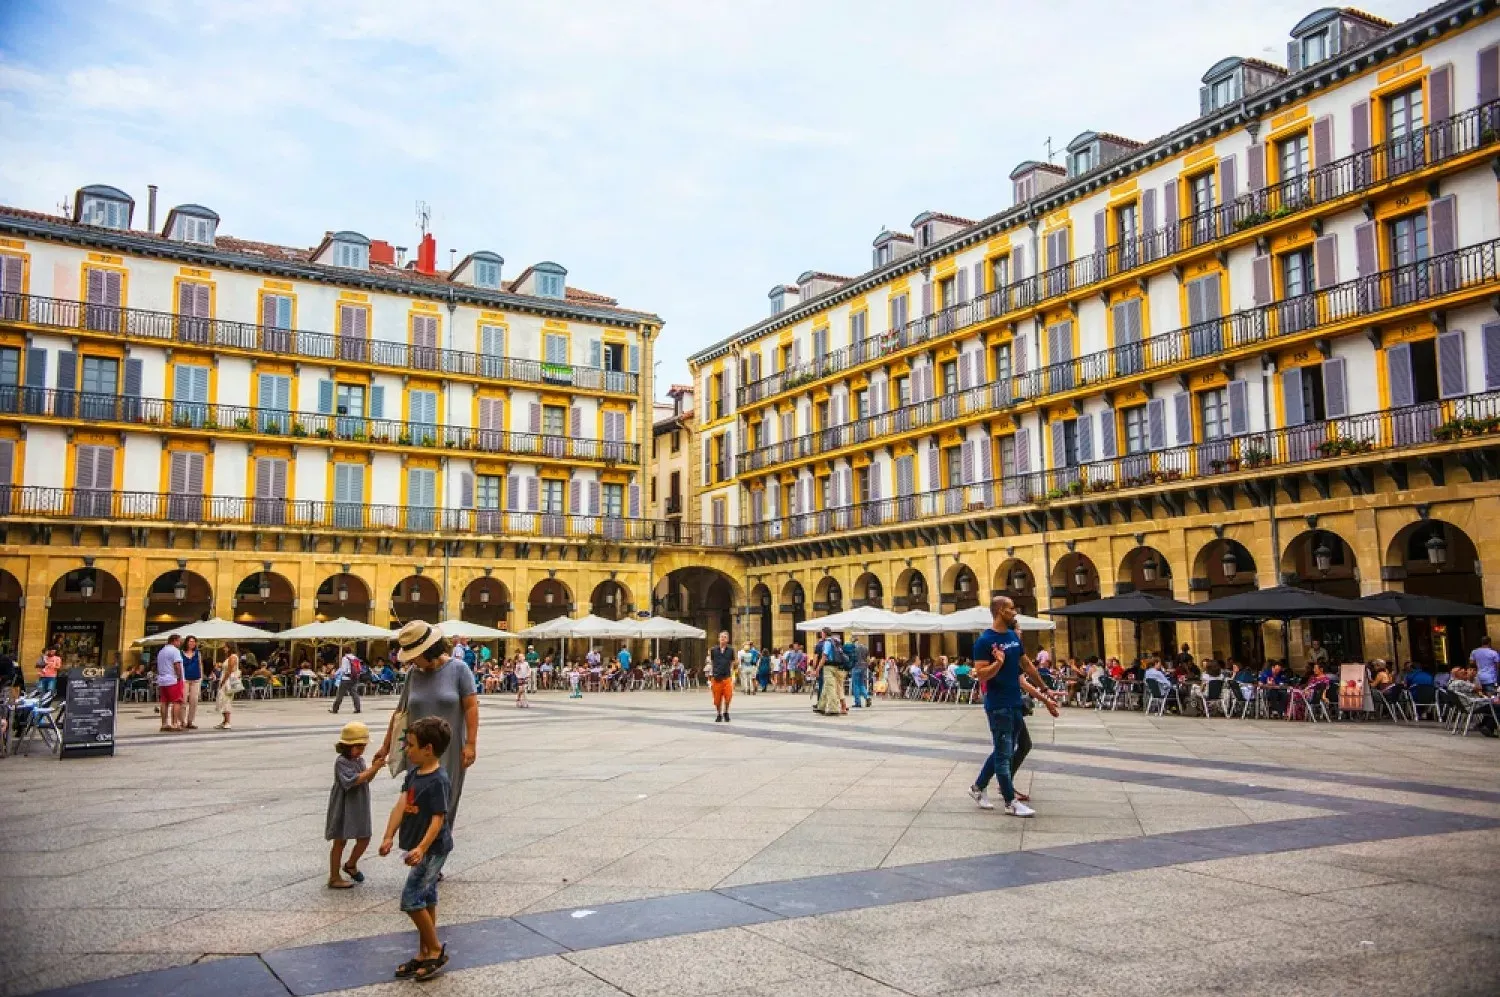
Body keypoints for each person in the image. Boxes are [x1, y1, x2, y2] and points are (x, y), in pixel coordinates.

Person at [373, 622, 479, 832]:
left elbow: (471, 708)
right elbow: (399, 713)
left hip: (449, 751)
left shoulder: (459, 669)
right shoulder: (414, 674)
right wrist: (385, 747)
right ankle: (421, 855)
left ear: (429, 650)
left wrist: (471, 744)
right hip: (417, 752)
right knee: (417, 806)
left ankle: (433, 858)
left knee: (444, 806)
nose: (411, 660)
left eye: (415, 654)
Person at [379, 716, 454, 982]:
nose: (406, 750)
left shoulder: (438, 780)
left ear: (428, 749)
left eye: (410, 745)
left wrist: (422, 848)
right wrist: (388, 835)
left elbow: (438, 819)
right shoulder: (413, 773)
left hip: (433, 850)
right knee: (427, 898)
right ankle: (423, 952)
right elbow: (401, 805)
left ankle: (434, 949)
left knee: (411, 900)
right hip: (421, 848)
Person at [969, 595, 1052, 817]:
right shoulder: (984, 641)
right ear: (999, 611)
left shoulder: (1013, 638)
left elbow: (1026, 664)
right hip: (999, 705)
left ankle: (978, 787)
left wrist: (1045, 689)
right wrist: (998, 662)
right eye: (1011, 609)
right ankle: (1010, 801)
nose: (1015, 612)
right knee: (1004, 753)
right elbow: (981, 675)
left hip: (1015, 702)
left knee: (1018, 745)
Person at [327, 720, 381, 889]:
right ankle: (334, 876)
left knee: (364, 836)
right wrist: (372, 770)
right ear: (346, 746)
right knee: (340, 841)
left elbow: (366, 778)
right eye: (357, 747)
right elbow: (353, 781)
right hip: (344, 804)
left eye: (362, 747)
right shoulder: (341, 762)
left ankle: (351, 863)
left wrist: (374, 768)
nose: (360, 751)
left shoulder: (359, 761)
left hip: (359, 803)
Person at [814, 628, 847, 716]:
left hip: (828, 667)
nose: (821, 635)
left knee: (830, 687)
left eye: (822, 633)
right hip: (837, 667)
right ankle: (821, 707)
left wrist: (817, 668)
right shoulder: (836, 642)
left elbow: (824, 656)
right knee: (826, 687)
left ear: (824, 634)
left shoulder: (827, 643)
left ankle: (834, 709)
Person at [155, 634, 185, 732]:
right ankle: (174, 723)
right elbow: (177, 665)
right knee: (177, 701)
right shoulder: (175, 651)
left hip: (162, 680)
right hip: (173, 679)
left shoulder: (161, 651)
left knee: (164, 702)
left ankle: (164, 724)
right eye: (179, 641)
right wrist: (179, 676)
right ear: (174, 640)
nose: (180, 643)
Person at [707, 630, 736, 722]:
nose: (723, 639)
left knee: (728, 697)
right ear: (718, 639)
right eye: (721, 637)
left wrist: (732, 674)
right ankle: (719, 713)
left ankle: (726, 712)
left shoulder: (731, 650)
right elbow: (712, 663)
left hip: (727, 677)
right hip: (716, 678)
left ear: (727, 640)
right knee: (717, 699)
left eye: (725, 637)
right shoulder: (713, 650)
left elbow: (732, 662)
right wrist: (710, 677)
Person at [215, 643, 242, 730]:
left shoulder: (232, 657)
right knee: (222, 700)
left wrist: (223, 681)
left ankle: (227, 721)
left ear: (229, 648)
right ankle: (224, 721)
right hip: (226, 680)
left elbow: (229, 670)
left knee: (225, 700)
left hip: (228, 681)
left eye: (225, 647)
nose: (224, 649)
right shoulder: (230, 657)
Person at [329, 647, 363, 714]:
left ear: (344, 652)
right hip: (354, 678)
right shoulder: (355, 658)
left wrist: (335, 674)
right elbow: (359, 669)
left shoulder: (345, 658)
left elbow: (343, 669)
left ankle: (335, 709)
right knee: (354, 693)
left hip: (346, 679)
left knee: (340, 694)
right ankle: (358, 708)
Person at [180, 635, 203, 730]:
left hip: (196, 679)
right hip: (185, 679)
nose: (192, 643)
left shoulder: (198, 653)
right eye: (190, 641)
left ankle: (190, 721)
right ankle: (182, 721)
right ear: (186, 642)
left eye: (194, 641)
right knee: (183, 700)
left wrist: (201, 676)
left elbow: (200, 664)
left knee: (194, 701)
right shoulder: (181, 653)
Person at [849, 636, 872, 708]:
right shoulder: (865, 647)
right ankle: (867, 697)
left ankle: (858, 702)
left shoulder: (853, 648)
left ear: (852, 641)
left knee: (855, 685)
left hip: (856, 667)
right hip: (864, 667)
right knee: (861, 684)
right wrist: (866, 665)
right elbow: (868, 659)